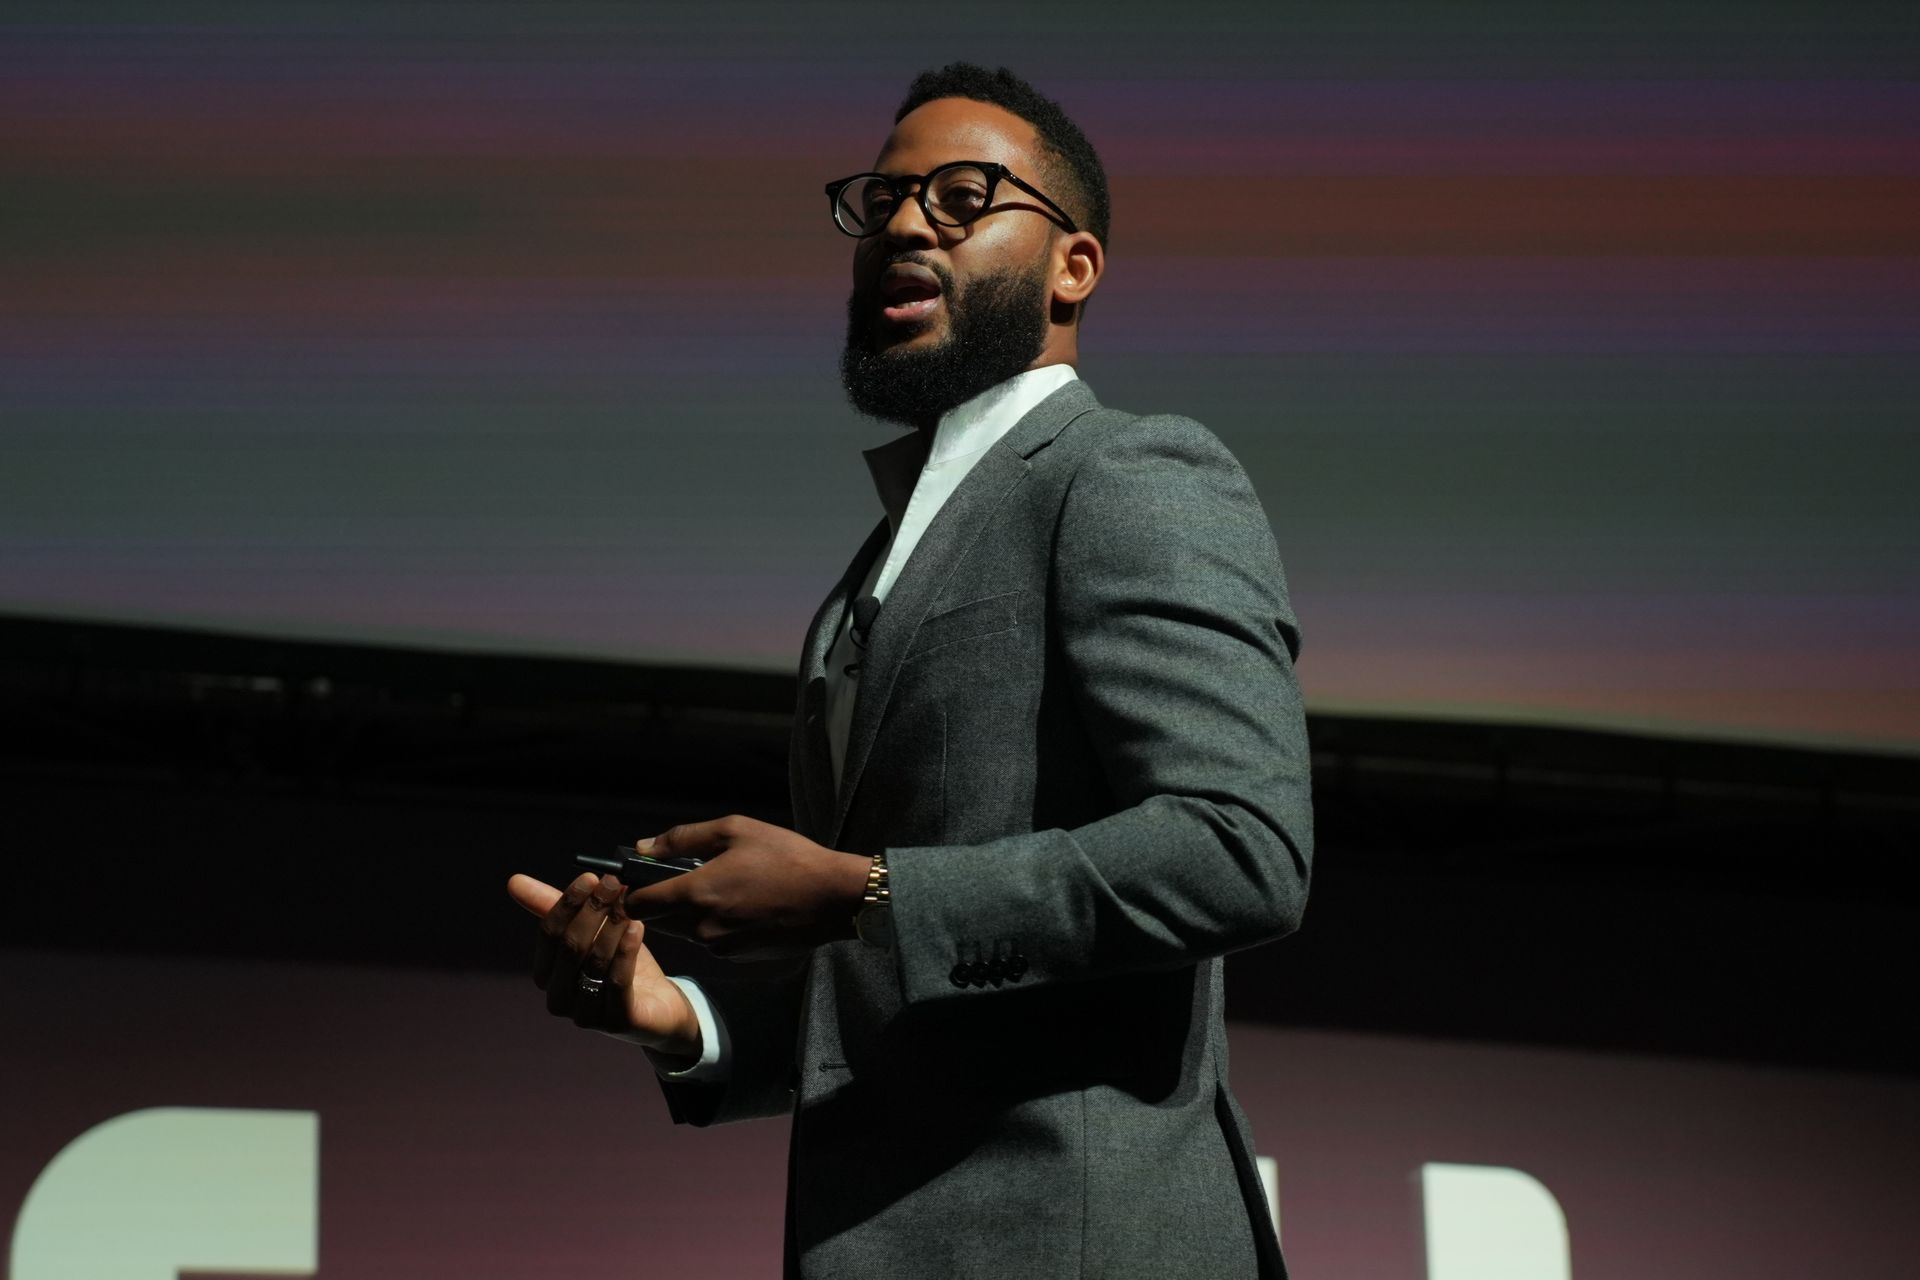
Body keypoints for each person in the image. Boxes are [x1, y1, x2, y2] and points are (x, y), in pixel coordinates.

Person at [508, 63, 1312, 1279]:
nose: (898, 222)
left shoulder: (1129, 473)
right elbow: (908, 987)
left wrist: (866, 889)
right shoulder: (875, 567)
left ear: (1072, 266)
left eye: (961, 195)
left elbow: (1241, 847)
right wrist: (678, 1015)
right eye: (882, 198)